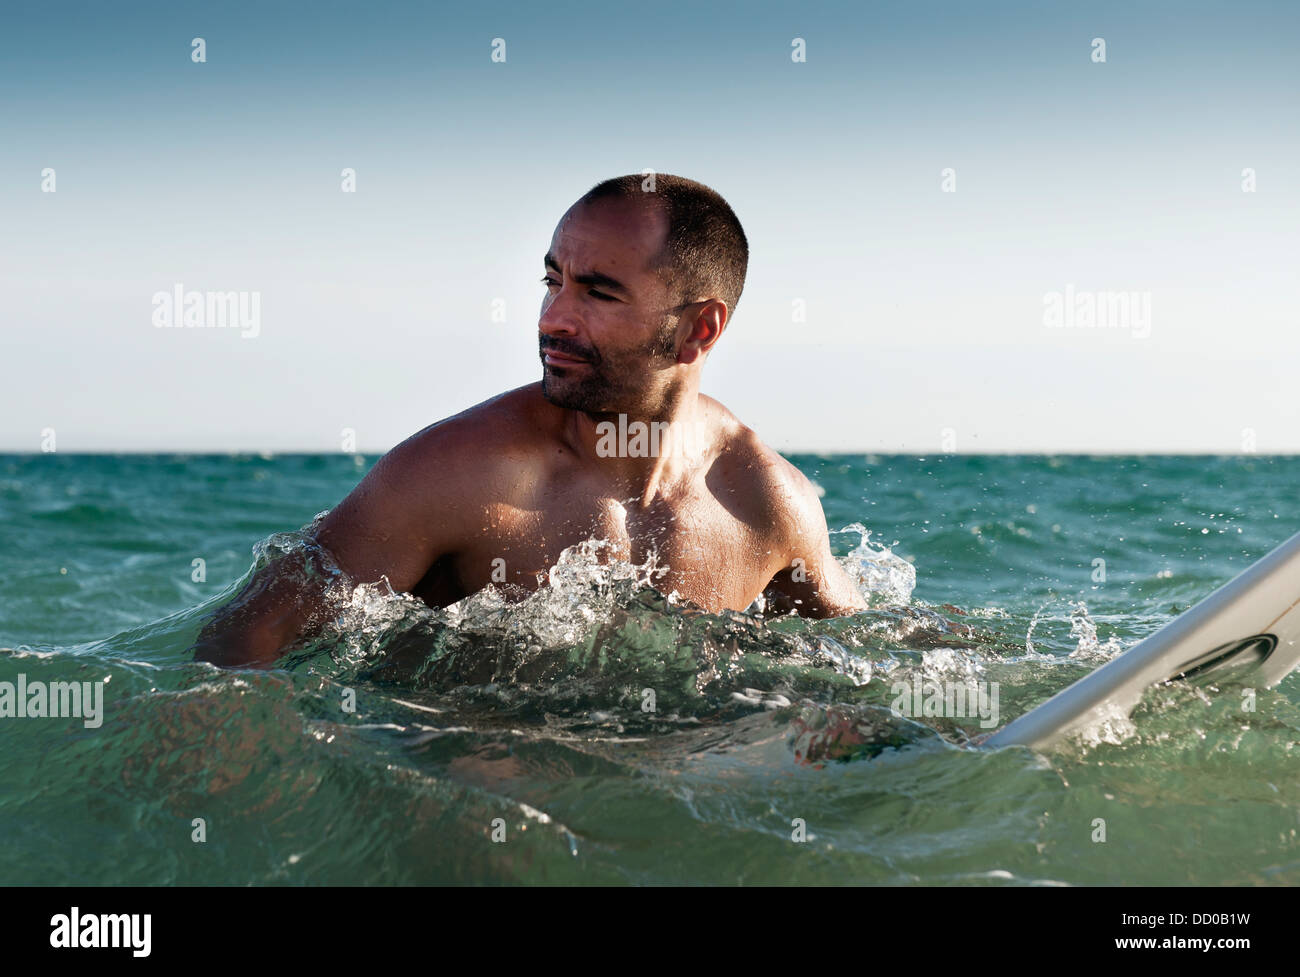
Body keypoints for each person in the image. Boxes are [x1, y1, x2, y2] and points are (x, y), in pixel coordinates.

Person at [194, 173, 866, 668]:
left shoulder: (763, 501)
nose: (553, 319)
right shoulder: (457, 473)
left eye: (598, 292)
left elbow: (863, 648)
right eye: (553, 282)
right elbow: (244, 639)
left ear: (699, 328)